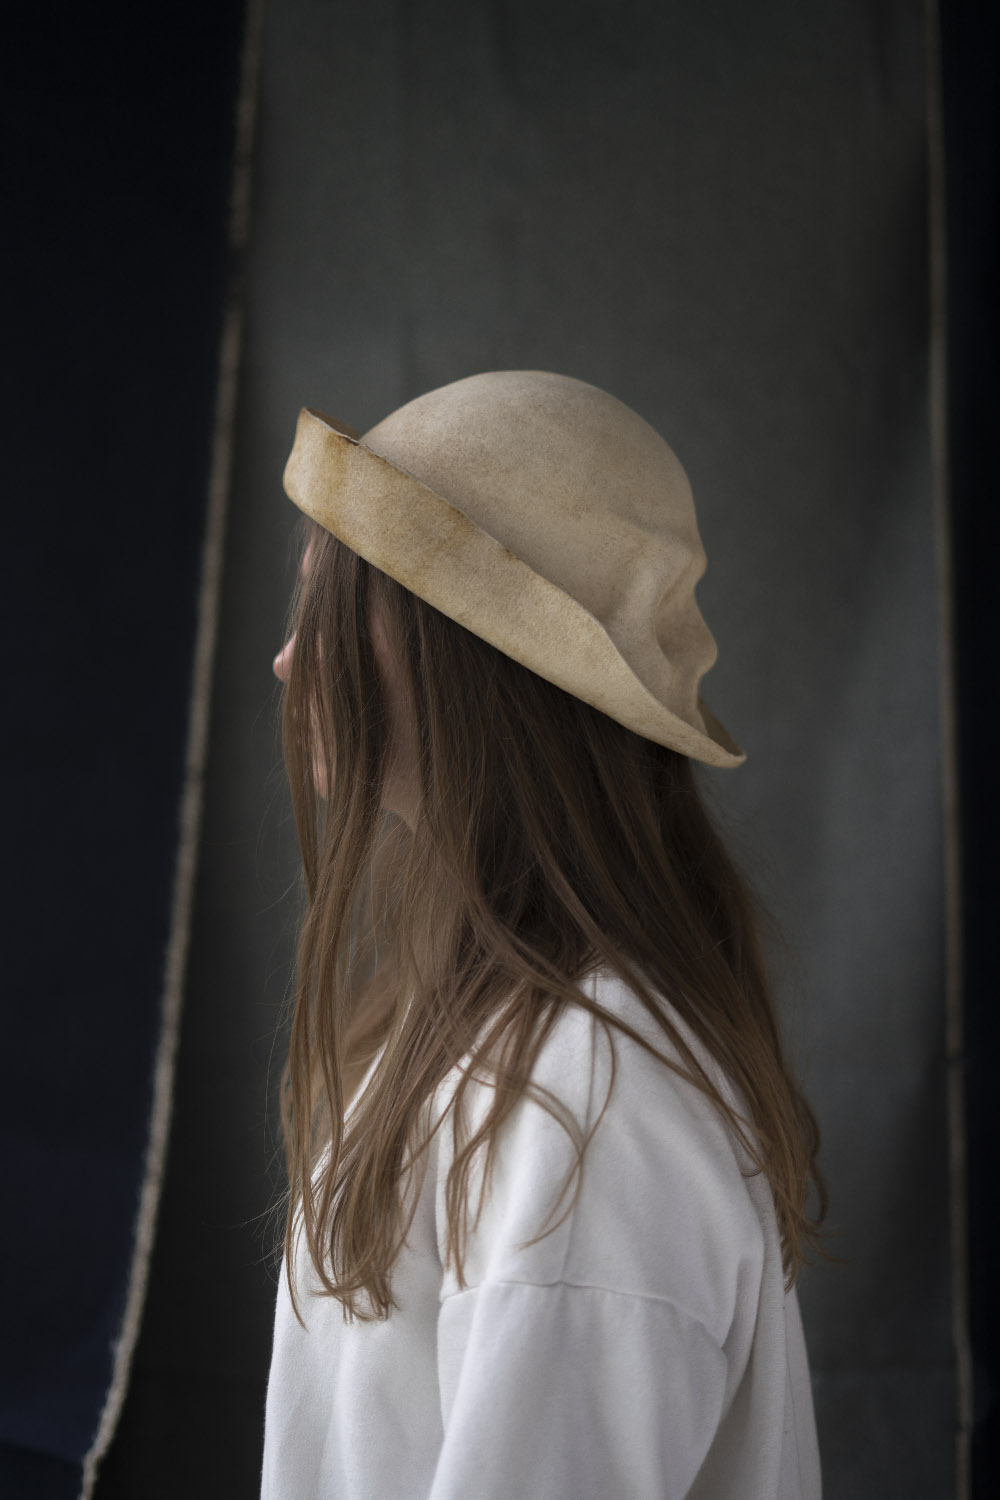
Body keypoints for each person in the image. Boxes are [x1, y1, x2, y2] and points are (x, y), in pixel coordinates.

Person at [261, 370, 826, 1499]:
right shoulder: (502, 1038)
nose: (287, 660)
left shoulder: (588, 1101)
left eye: (330, 606)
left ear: (469, 658)